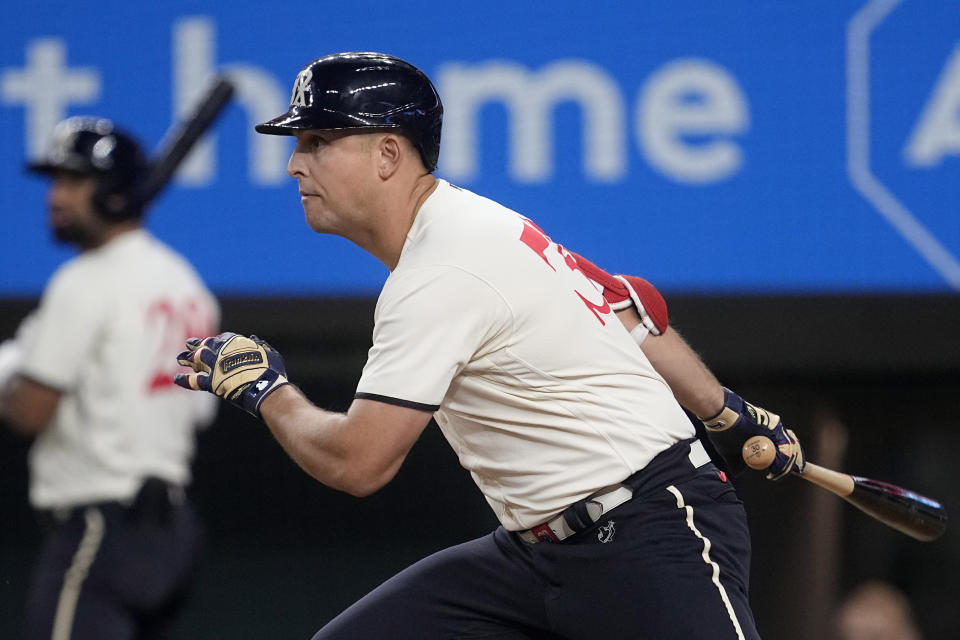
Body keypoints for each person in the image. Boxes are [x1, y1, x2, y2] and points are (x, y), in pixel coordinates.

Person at [174, 52, 804, 639]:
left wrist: (267, 392)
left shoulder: (443, 268)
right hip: (535, 554)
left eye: (318, 142)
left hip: (651, 532)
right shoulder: (472, 222)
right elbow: (626, 309)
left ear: (388, 154)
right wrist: (726, 410)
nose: (294, 165)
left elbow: (358, 464)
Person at [0, 116, 220, 639]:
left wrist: (12, 371)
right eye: (56, 182)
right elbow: (202, 411)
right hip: (170, 534)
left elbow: (30, 412)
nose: (56, 196)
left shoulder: (86, 281)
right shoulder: (188, 285)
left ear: (117, 192)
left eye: (75, 182)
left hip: (99, 524)